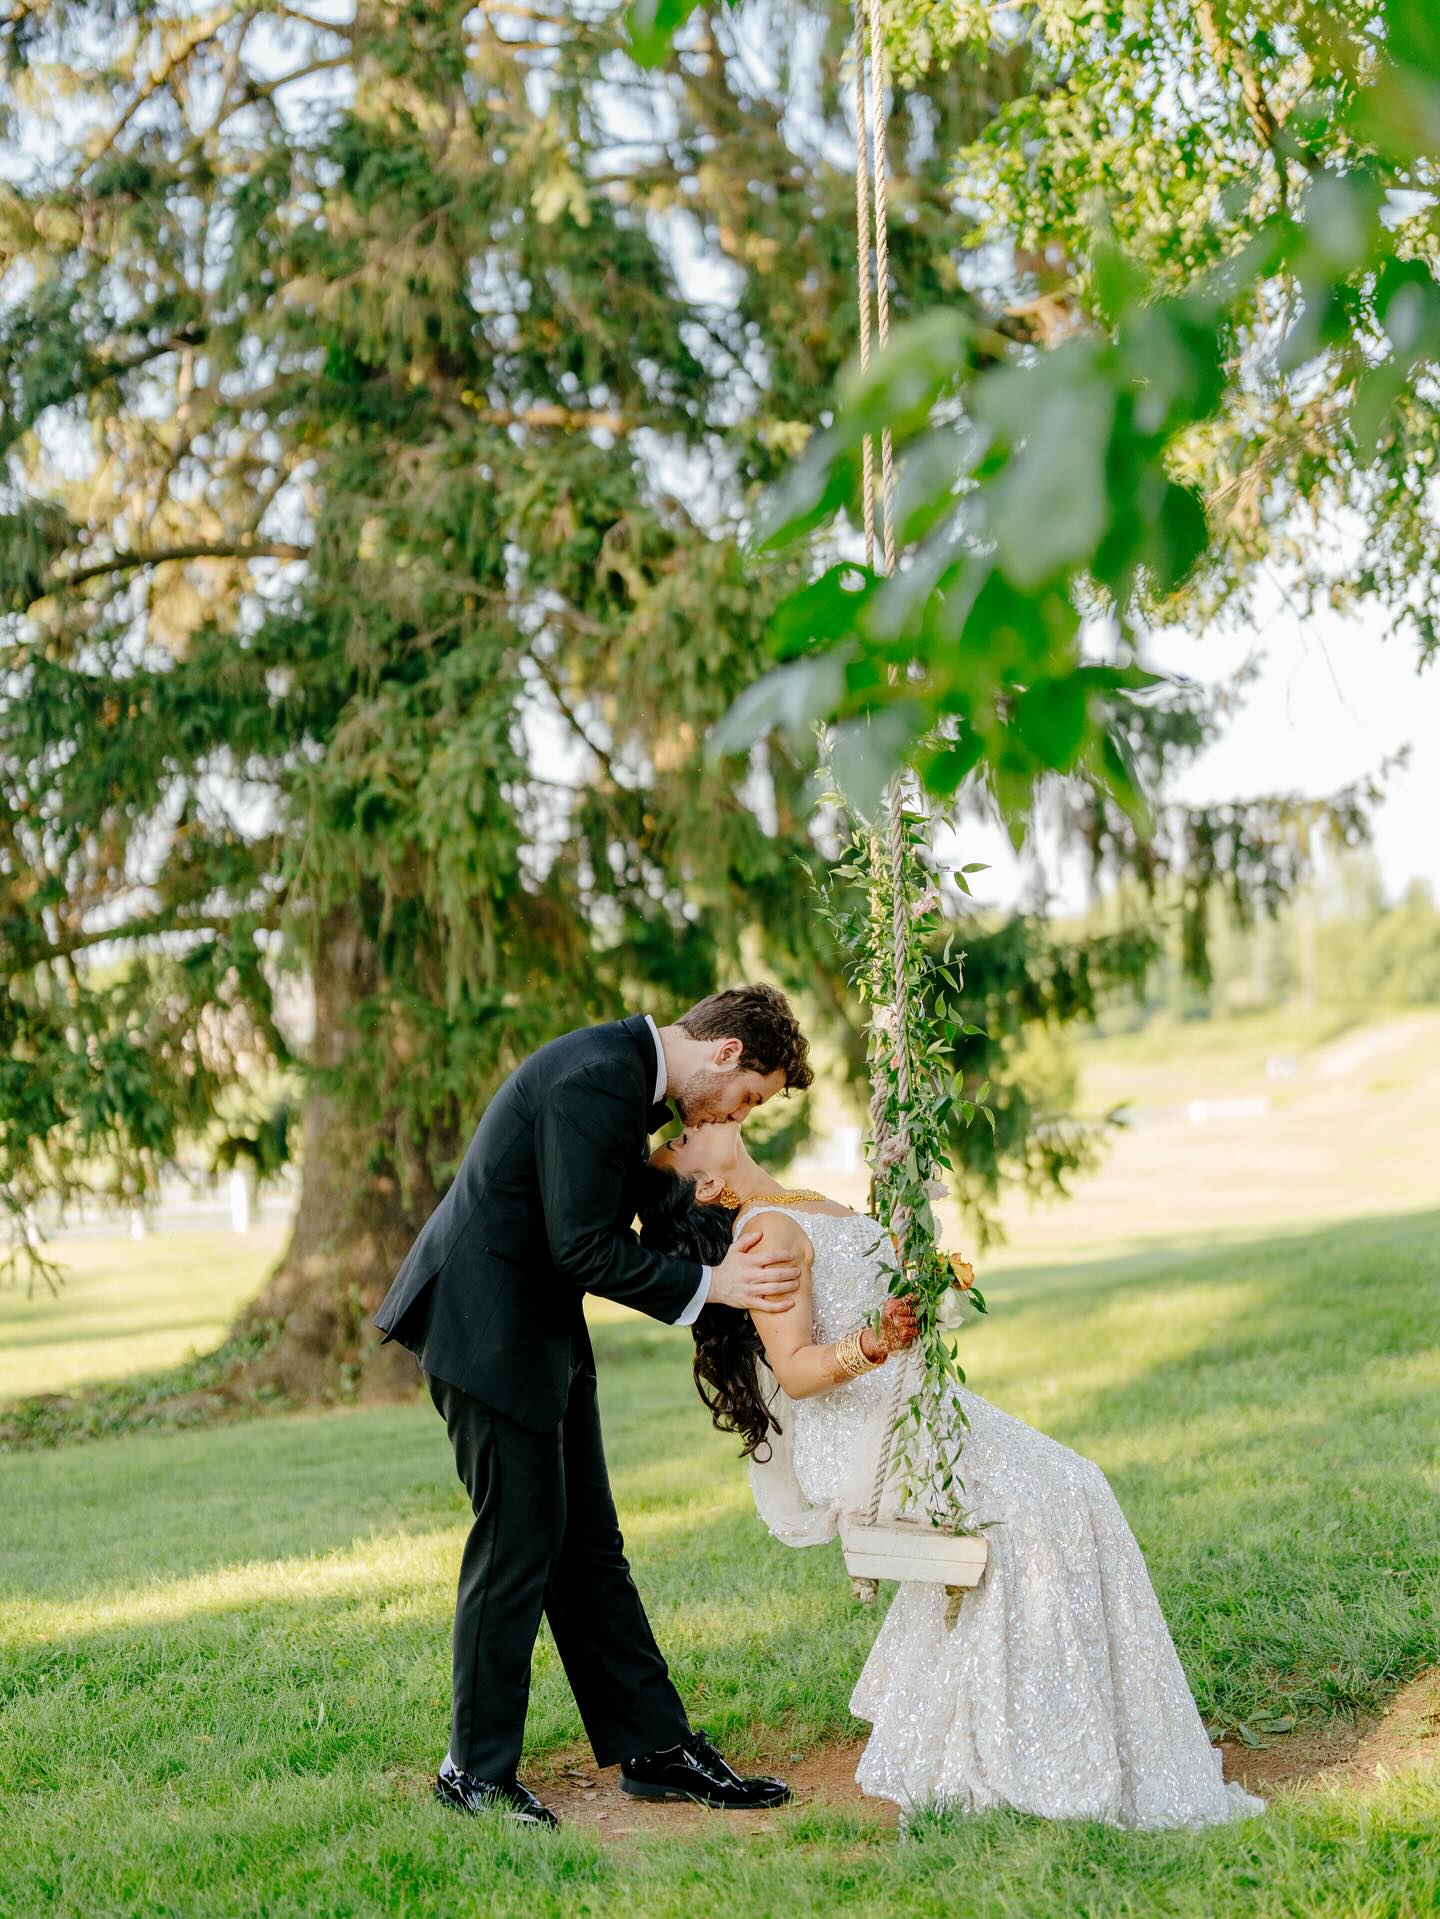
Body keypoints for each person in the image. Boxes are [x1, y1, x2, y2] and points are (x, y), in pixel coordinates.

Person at [638, 1120, 1266, 1830]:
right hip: (868, 1437)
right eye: (682, 1140)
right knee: (1049, 1499)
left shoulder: (803, 1202)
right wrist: (873, 1341)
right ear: (710, 1185)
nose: (698, 1122)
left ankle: (1094, 1736)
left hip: (920, 1408)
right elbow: (794, 1370)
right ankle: (1039, 1752)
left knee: (1077, 1484)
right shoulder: (763, 1235)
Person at [374, 987, 814, 1827]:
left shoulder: (632, 1087)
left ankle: (654, 1748)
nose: (738, 1116)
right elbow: (581, 1245)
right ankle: (472, 1772)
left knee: (588, 1544)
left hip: (541, 1334)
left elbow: (644, 1218)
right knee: (518, 1542)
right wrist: (714, 1283)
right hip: (487, 1333)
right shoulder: (597, 1078)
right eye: (750, 1097)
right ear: (724, 1054)